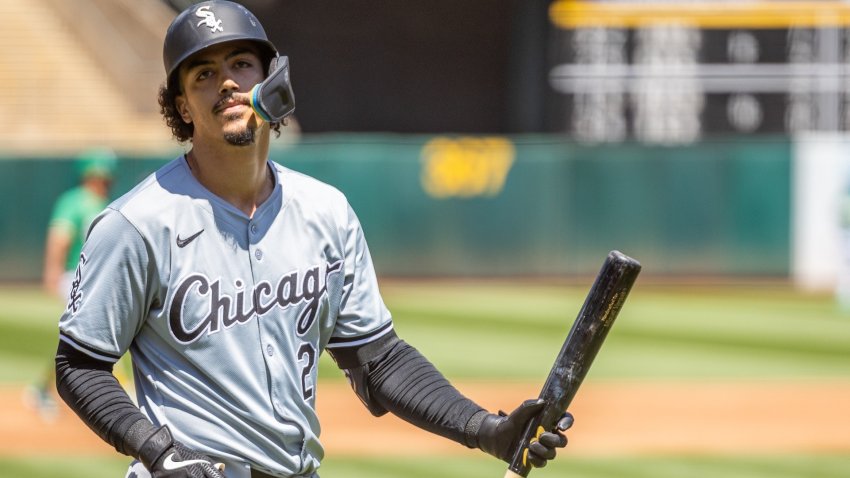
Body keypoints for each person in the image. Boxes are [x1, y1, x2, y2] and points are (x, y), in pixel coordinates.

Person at [54, 2, 572, 477]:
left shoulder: (326, 211)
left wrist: (485, 430)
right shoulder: (138, 223)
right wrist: (158, 451)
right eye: (204, 74)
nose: (227, 84)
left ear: (270, 78)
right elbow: (79, 365)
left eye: (240, 64)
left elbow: (380, 361)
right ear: (183, 106)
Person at [25, 147, 117, 420]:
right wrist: (52, 273)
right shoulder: (75, 201)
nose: (105, 178)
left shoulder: (102, 201)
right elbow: (60, 237)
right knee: (94, 335)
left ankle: (41, 388)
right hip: (73, 276)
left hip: (94, 277)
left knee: (87, 337)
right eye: (101, 172)